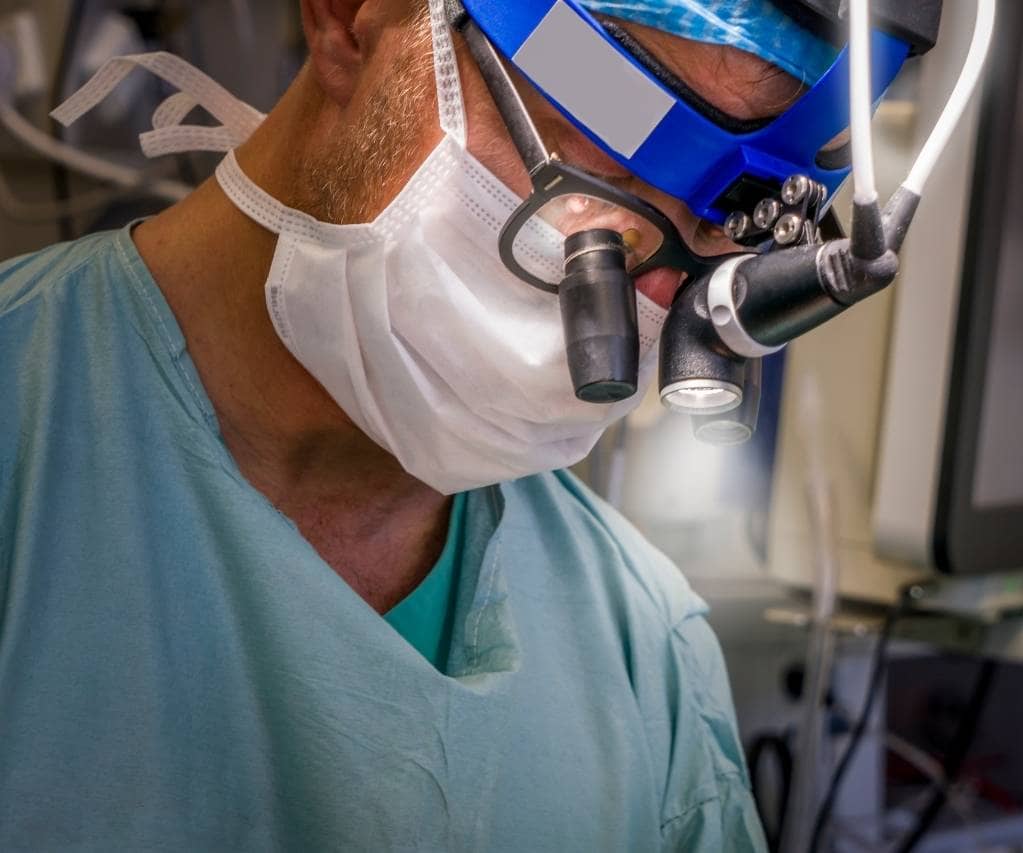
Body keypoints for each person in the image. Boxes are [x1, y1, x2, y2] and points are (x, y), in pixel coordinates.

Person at [0, 0, 860, 849]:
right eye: (619, 156)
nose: (654, 276)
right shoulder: (26, 428)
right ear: (351, 19)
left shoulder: (642, 652)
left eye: (722, 218)